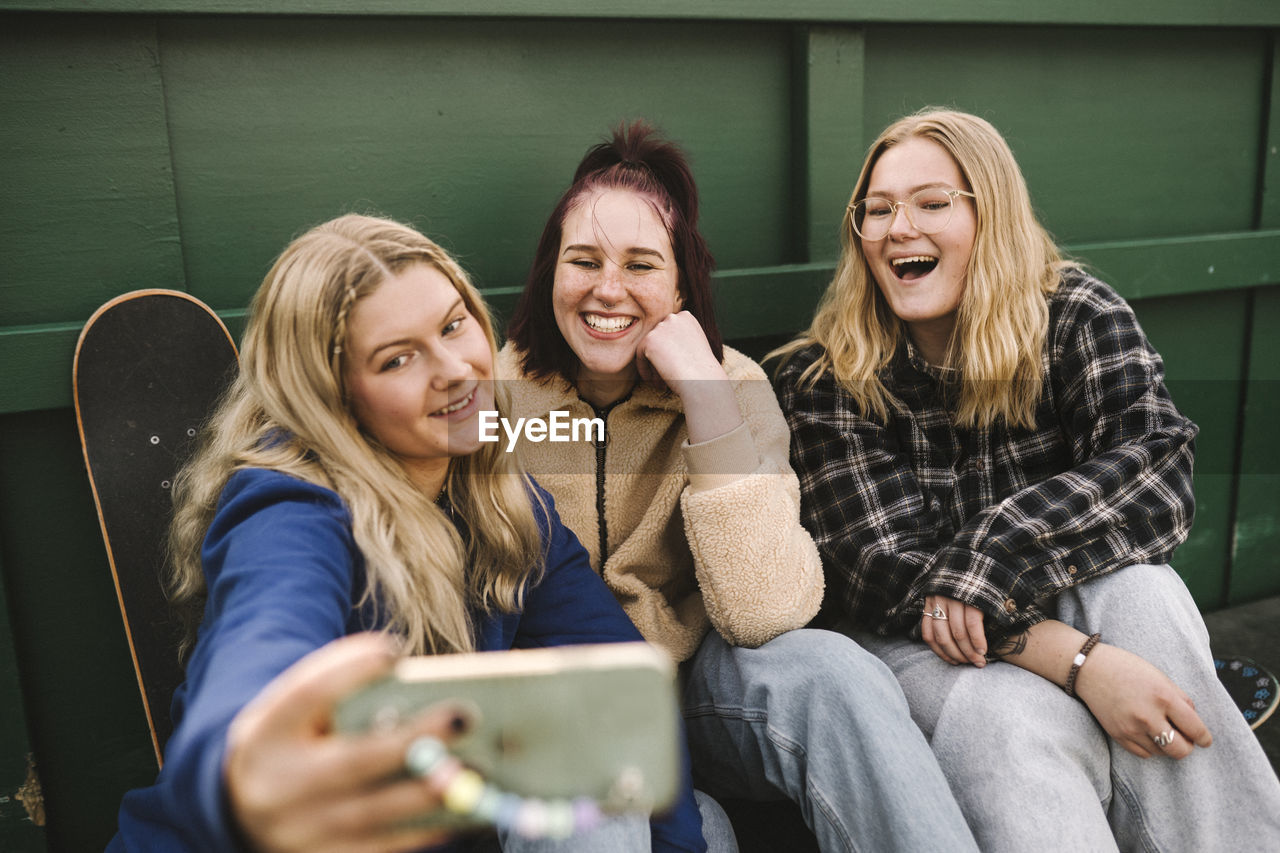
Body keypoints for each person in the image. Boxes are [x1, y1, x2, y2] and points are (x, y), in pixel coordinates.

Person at [107, 213, 716, 853]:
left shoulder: (505, 500)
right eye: (398, 359)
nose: (455, 369)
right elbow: (263, 639)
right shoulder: (290, 507)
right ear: (333, 397)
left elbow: (617, 684)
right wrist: (244, 767)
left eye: (454, 325)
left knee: (699, 825)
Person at [773, 107, 1280, 851]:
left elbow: (1157, 469)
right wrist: (1077, 663)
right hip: (911, 639)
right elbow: (878, 570)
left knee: (1144, 594)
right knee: (1006, 717)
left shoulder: (1076, 315)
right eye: (876, 210)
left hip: (1056, 589)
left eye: (932, 203)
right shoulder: (825, 377)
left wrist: (997, 546)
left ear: (993, 214)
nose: (896, 228)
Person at [499, 122, 978, 853]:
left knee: (837, 674)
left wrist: (706, 401)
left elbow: (764, 609)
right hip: (554, 709)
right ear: (548, 272)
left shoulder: (735, 387)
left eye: (641, 264)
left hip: (696, 694)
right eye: (584, 260)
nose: (608, 289)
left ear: (683, 283)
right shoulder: (491, 397)